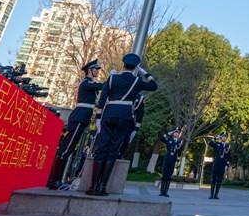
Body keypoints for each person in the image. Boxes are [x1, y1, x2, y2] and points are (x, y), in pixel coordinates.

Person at [87, 53, 158, 196]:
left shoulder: (112, 78)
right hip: (124, 116)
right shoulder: (137, 81)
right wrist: (145, 72)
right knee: (113, 150)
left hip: (109, 113)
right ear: (135, 68)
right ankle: (103, 187)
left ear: (123, 65)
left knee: (102, 148)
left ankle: (93, 186)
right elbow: (153, 85)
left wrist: (99, 116)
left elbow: (103, 98)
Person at [46, 58, 104, 189]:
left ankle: (57, 180)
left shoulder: (91, 86)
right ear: (90, 70)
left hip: (83, 118)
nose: (97, 72)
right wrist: (112, 80)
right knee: (66, 149)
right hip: (79, 117)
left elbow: (97, 102)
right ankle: (55, 181)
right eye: (96, 69)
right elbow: (102, 86)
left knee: (69, 148)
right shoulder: (86, 83)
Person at [158, 127, 184, 197]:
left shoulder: (179, 142)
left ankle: (166, 191)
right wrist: (168, 133)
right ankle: (161, 191)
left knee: (169, 176)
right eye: (175, 132)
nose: (176, 134)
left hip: (173, 159)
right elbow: (162, 139)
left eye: (177, 133)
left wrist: (177, 161)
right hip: (167, 157)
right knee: (164, 175)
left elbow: (179, 152)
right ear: (173, 133)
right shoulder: (169, 139)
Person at [208, 132, 230, 199]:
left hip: (223, 163)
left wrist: (227, 164)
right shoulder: (217, 144)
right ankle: (211, 194)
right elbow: (210, 143)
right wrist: (214, 138)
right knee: (213, 178)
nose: (224, 138)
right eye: (223, 136)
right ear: (220, 138)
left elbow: (228, 156)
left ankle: (216, 195)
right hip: (217, 161)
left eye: (225, 137)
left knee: (219, 179)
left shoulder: (227, 146)